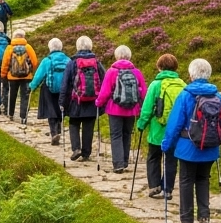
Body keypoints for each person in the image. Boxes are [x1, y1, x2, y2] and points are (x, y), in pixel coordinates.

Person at [162, 58, 221, 223]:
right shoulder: (217, 95)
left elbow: (175, 123)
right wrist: (217, 141)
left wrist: (167, 144)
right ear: (208, 74)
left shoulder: (185, 95)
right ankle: (204, 216)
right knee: (203, 180)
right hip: (209, 147)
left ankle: (186, 220)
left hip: (187, 147)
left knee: (186, 180)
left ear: (192, 75)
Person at [137, 54, 186, 199]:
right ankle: (168, 189)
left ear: (159, 67)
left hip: (157, 129)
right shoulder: (182, 85)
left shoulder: (155, 84)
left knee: (153, 156)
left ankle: (154, 186)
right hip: (176, 131)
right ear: (175, 67)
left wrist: (141, 124)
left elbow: (146, 108)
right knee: (171, 159)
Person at [95, 45, 147, 173]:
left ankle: (118, 164)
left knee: (116, 135)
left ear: (116, 56)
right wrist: (141, 108)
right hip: (132, 110)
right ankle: (124, 161)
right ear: (129, 57)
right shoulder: (137, 72)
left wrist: (98, 102)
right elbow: (143, 93)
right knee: (127, 134)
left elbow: (105, 92)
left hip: (114, 109)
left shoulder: (112, 72)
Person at [60, 36, 105, 162]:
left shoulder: (72, 63)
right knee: (88, 126)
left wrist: (62, 102)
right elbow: (104, 80)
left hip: (75, 101)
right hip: (92, 101)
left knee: (74, 123)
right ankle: (86, 153)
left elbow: (65, 84)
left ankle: (76, 149)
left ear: (77, 47)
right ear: (91, 47)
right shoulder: (97, 62)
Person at [31, 37, 70, 146]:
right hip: (64, 90)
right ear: (61, 48)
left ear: (50, 48)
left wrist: (32, 87)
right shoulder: (68, 60)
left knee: (51, 110)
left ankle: (54, 133)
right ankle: (58, 130)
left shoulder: (47, 60)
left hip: (49, 90)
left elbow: (38, 76)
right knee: (60, 109)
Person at [0, 29, 38, 124]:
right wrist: (30, 70)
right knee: (25, 96)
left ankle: (11, 114)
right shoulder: (28, 47)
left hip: (12, 77)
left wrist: (3, 75)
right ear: (23, 36)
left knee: (12, 95)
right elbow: (35, 62)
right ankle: (23, 117)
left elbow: (5, 63)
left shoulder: (9, 48)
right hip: (26, 77)